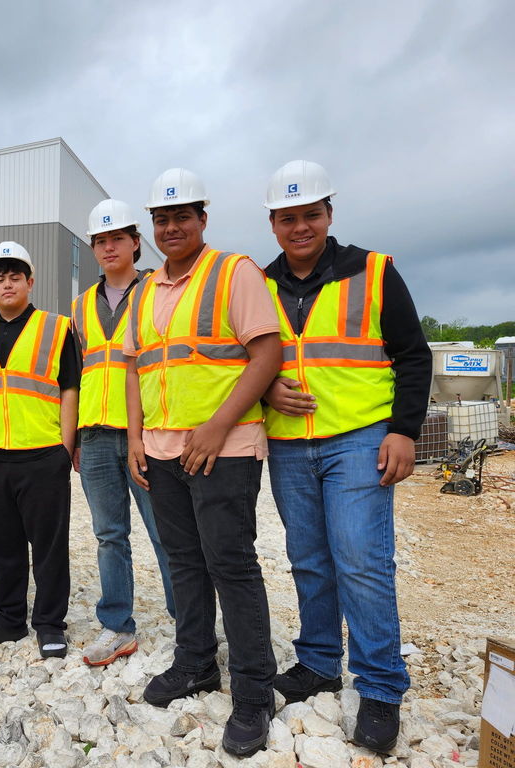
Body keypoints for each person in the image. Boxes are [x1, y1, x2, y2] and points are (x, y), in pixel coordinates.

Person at [261, 161, 431, 753]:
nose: (300, 226)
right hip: (288, 443)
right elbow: (246, 362)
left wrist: (404, 430)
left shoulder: (375, 272)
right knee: (308, 558)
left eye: (311, 214)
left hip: (360, 437)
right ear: (273, 223)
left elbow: (413, 355)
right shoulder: (259, 284)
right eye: (288, 218)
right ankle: (318, 662)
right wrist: (264, 388)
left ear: (329, 214)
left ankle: (381, 686)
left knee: (361, 558)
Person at [124, 169, 282, 757]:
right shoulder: (144, 290)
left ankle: (253, 693)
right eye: (162, 219)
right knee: (185, 564)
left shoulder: (232, 272)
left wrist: (217, 427)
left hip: (224, 450)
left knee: (231, 566)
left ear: (202, 220)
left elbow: (266, 352)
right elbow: (138, 368)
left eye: (181, 217)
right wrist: (135, 438)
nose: (171, 227)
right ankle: (194, 664)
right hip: (163, 452)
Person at [0, 242, 81, 659]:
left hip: (42, 455)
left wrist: (65, 449)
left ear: (30, 281)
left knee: (48, 546)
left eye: (15, 276)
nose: (7, 284)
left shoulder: (56, 327)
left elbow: (69, 390)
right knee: (0, 545)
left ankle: (49, 623)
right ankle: (8, 618)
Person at [72, 200, 176, 667]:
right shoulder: (78, 308)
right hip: (94, 435)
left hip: (147, 433)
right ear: (92, 248)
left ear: (137, 242)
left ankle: (189, 621)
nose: (109, 247)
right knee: (109, 534)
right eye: (100, 240)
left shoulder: (157, 291)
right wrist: (71, 436)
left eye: (117, 238)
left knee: (167, 531)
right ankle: (117, 625)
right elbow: (73, 376)